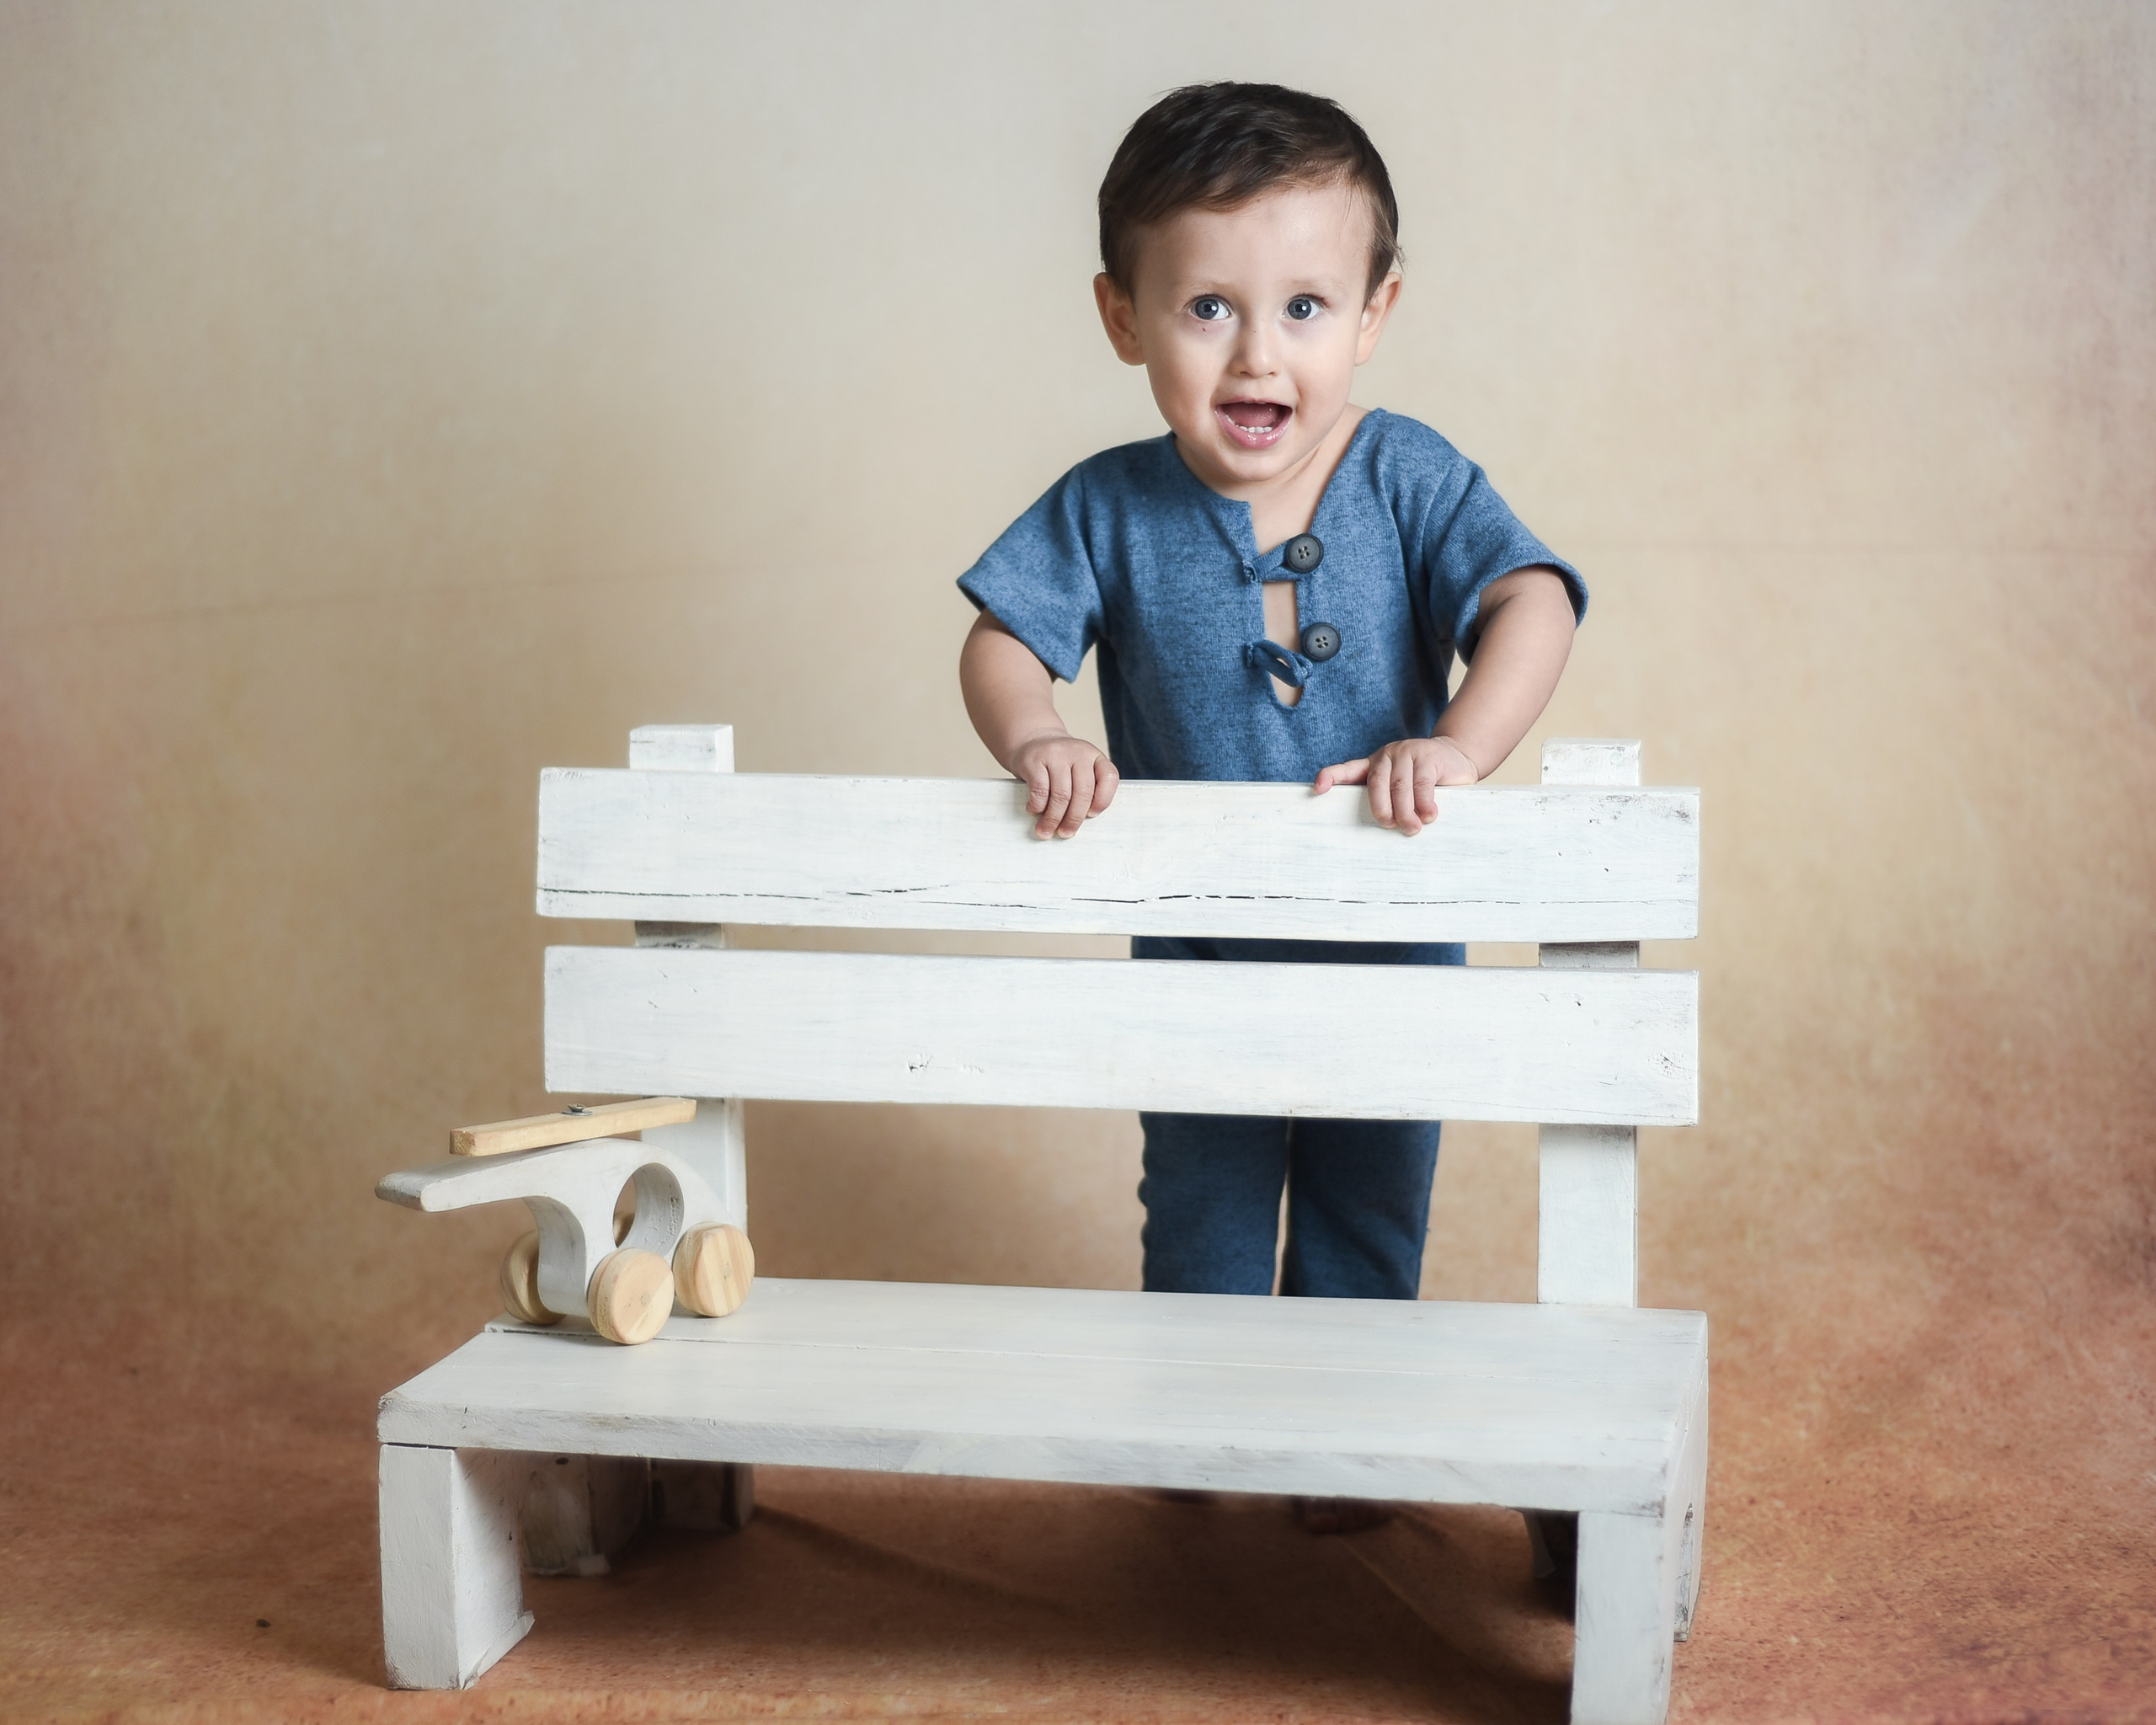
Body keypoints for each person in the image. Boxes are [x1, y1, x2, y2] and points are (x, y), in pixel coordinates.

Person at [957, 84, 1584, 1525]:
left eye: (1306, 307)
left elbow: (1532, 601)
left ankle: (1338, 1461)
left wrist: (1462, 751)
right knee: (1207, 1203)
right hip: (1198, 947)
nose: (1259, 352)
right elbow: (1001, 639)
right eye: (1208, 310)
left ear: (1376, 311)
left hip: (1389, 932)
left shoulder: (1408, 477)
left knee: (1369, 1202)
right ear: (1124, 317)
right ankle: (1202, 1439)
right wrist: (1036, 730)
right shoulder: (1105, 508)